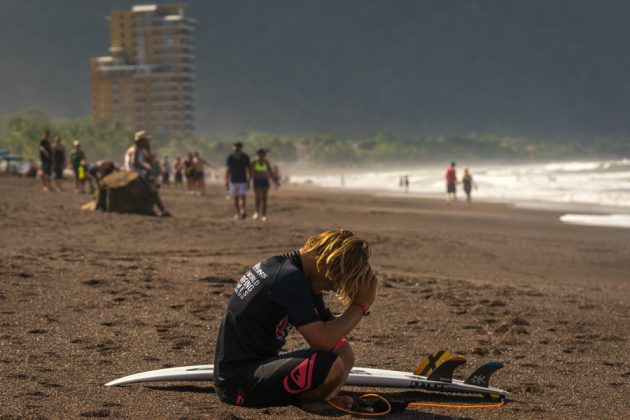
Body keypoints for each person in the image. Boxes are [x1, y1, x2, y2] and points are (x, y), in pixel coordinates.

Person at [214, 229, 377, 411]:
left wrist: (360, 306)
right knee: (332, 365)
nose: (335, 288)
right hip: (237, 382)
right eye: (336, 280)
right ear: (327, 262)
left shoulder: (295, 272)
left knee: (342, 350)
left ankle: (324, 399)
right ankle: (311, 402)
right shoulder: (288, 278)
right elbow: (322, 341)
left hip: (259, 365)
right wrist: (360, 306)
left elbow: (331, 329)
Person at [124, 130, 171, 217]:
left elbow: (150, 161)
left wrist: (148, 150)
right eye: (146, 141)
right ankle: (163, 210)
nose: (148, 142)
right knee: (154, 191)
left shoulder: (140, 150)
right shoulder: (135, 150)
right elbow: (135, 162)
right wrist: (146, 168)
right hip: (136, 174)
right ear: (141, 141)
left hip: (138, 173)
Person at [225, 142, 251, 220]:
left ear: (240, 148)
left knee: (242, 196)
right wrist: (226, 179)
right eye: (235, 148)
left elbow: (249, 169)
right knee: (235, 197)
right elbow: (228, 169)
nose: (236, 149)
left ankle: (243, 210)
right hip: (233, 180)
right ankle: (237, 213)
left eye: (237, 148)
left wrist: (249, 179)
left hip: (243, 180)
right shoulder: (230, 157)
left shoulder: (245, 157)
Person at [250, 148, 277, 221]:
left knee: (264, 198)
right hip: (257, 181)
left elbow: (270, 171)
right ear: (258, 154)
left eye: (264, 154)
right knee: (257, 197)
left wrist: (274, 180)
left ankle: (264, 215)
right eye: (262, 154)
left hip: (265, 181)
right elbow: (251, 172)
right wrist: (249, 181)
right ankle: (257, 212)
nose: (263, 155)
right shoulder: (254, 162)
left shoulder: (266, 161)